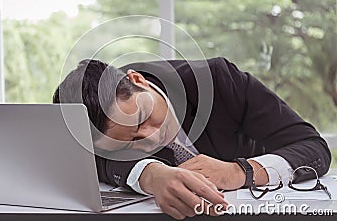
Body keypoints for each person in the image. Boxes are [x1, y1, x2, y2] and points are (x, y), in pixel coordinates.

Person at [53, 57, 331, 219]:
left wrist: (240, 171)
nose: (151, 139)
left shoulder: (221, 80)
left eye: (142, 118)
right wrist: (149, 173)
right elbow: (93, 159)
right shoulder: (97, 132)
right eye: (129, 144)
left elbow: (313, 147)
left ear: (138, 80)